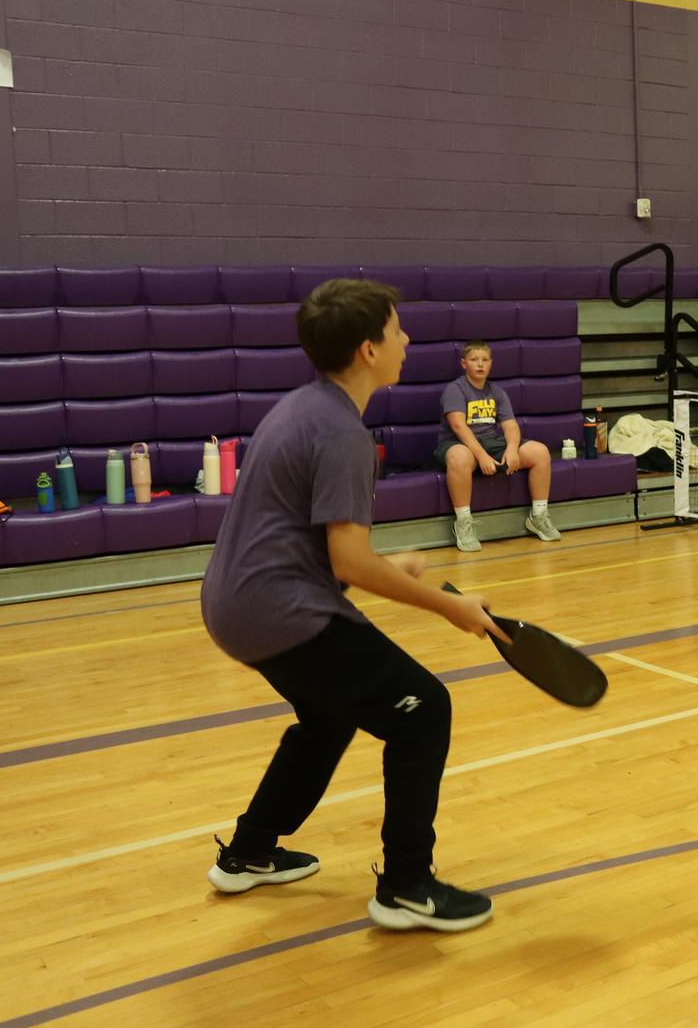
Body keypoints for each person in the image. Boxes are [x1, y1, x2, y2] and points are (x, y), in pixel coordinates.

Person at [200, 278, 504, 931]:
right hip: (278, 608)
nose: (407, 340)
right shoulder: (342, 433)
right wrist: (447, 607)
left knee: (329, 716)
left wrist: (383, 569)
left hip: (234, 601)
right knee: (424, 709)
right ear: (368, 350)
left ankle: (251, 850)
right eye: (398, 331)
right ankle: (407, 887)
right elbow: (347, 561)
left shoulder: (301, 407)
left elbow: (299, 538)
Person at [437, 340, 561, 552]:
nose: (480, 364)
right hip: (458, 444)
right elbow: (458, 427)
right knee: (460, 457)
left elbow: (511, 426)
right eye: (474, 359)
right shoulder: (455, 389)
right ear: (463, 363)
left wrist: (512, 449)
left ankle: (538, 516)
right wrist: (482, 455)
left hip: (492, 443)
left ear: (491, 364)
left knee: (539, 452)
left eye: (484, 360)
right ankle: (463, 524)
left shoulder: (497, 391)